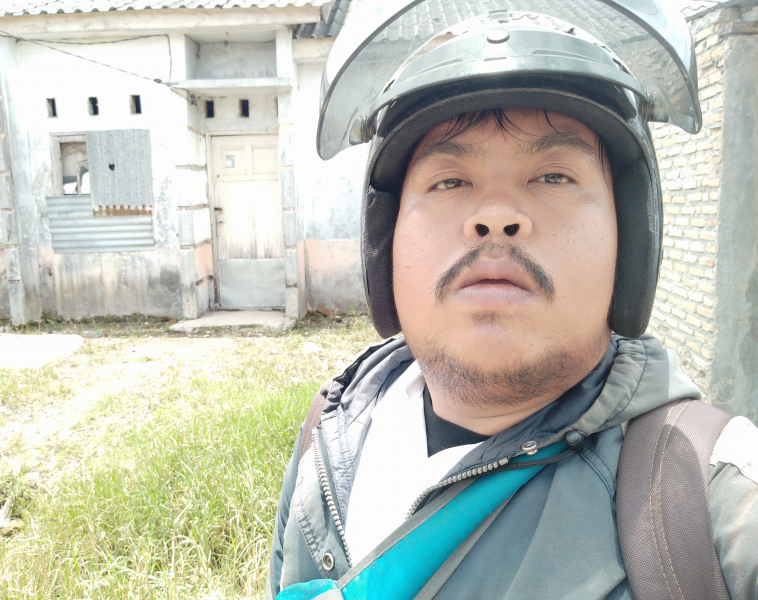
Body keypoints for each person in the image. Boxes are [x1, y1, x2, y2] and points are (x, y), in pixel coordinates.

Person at [266, 1, 758, 598]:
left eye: (554, 176)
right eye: (449, 181)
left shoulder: (709, 499)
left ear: (629, 240)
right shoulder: (332, 429)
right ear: (386, 241)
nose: (496, 215)